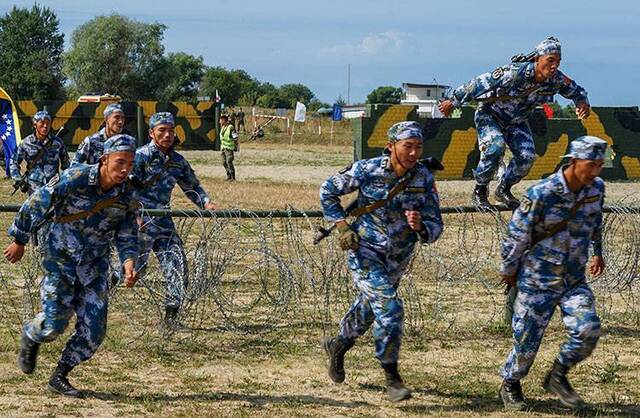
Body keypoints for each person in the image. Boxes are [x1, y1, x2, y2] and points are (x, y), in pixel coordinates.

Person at [4, 134, 139, 398]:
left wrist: (129, 261)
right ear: (104, 159)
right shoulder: (76, 178)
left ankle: (60, 375)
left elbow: (126, 232)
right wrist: (19, 239)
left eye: (130, 164)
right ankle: (32, 335)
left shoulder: (127, 193)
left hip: (95, 266)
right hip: (61, 260)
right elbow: (37, 202)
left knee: (94, 331)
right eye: (120, 162)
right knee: (54, 324)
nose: (125, 169)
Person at [319, 121, 443, 402]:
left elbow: (437, 224)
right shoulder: (367, 170)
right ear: (391, 147)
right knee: (390, 307)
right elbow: (327, 190)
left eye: (418, 147)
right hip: (365, 251)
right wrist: (341, 226)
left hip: (398, 257)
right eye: (407, 146)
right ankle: (392, 376)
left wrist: (422, 226)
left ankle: (338, 346)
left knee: (370, 308)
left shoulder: (423, 178)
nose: (413, 153)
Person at [497, 136, 607, 411]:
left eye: (599, 166)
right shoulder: (541, 194)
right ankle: (510, 383)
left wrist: (598, 251)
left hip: (573, 279)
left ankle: (557, 376)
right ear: (573, 161)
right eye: (590, 165)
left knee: (587, 328)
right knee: (526, 344)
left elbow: (595, 222)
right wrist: (509, 270)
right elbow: (517, 235)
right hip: (537, 280)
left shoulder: (596, 189)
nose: (595, 172)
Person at [439, 37, 590, 209]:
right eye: (550, 60)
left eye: (558, 61)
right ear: (537, 59)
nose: (554, 65)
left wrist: (582, 102)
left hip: (517, 122)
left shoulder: (556, 79)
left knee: (527, 157)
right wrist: (453, 101)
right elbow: (479, 83)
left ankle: (504, 189)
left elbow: (576, 90)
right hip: (490, 115)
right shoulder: (514, 73)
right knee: (495, 148)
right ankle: (480, 190)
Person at [129, 112, 216, 327]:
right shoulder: (140, 157)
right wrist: (133, 215)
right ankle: (103, 294)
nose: (167, 134)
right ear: (151, 133)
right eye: (162, 130)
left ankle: (171, 319)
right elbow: (126, 188)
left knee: (176, 267)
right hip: (141, 222)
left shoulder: (177, 161)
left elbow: (192, 186)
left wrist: (206, 203)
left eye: (170, 130)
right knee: (131, 270)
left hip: (164, 222)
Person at [10, 110, 69, 195]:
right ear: (35, 125)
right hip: (34, 187)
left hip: (54, 186)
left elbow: (66, 165)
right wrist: (17, 178)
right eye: (42, 123)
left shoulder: (58, 143)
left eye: (48, 123)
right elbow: (14, 161)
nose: (45, 126)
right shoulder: (26, 143)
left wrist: (65, 181)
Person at [219, 114, 238, 181]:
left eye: (220, 120)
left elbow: (235, 137)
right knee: (223, 162)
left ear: (224, 120)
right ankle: (228, 175)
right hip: (223, 148)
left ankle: (233, 177)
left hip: (229, 148)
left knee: (229, 161)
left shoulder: (231, 128)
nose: (219, 122)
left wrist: (236, 146)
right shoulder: (223, 127)